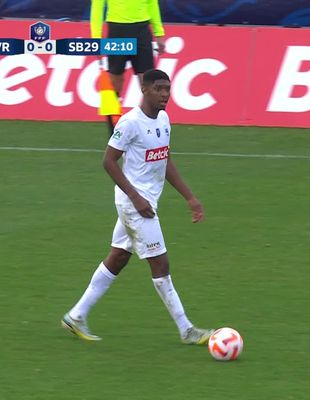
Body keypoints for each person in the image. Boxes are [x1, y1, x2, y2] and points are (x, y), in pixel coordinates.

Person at [61, 69, 214, 345]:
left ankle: (76, 315)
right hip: (135, 204)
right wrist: (135, 197)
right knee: (161, 262)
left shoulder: (164, 120)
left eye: (167, 88)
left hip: (145, 201)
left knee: (119, 256)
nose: (165, 94)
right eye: (159, 89)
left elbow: (164, 160)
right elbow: (108, 161)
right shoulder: (130, 122)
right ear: (144, 90)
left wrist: (190, 197)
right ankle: (186, 329)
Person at [90, 0, 166, 95]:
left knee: (148, 81)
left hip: (141, 30)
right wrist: (96, 37)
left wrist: (159, 33)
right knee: (115, 79)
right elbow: (97, 6)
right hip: (117, 32)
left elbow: (152, 3)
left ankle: (149, 110)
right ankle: (114, 108)